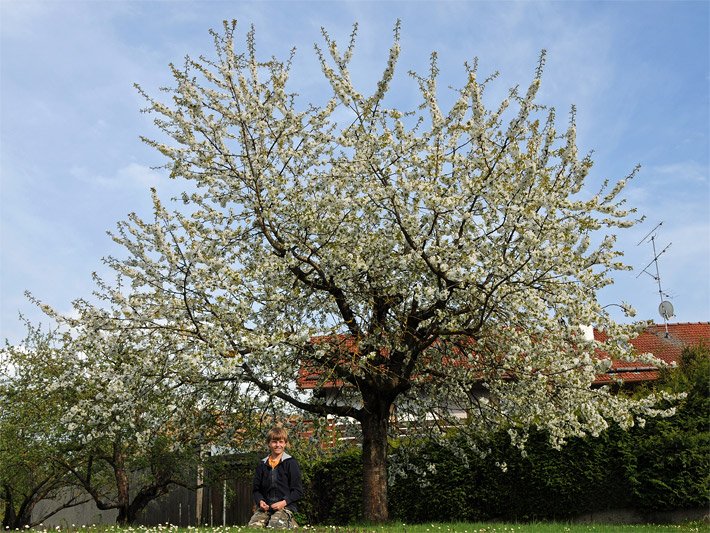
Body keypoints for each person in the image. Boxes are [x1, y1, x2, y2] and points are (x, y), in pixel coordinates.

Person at [248, 426, 304, 529]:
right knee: (253, 528)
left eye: (281, 442)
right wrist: (260, 501)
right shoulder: (262, 465)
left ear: (285, 443)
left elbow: (298, 491)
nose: (278, 445)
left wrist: (283, 503)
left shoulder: (291, 463)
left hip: (285, 507)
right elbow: (256, 490)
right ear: (269, 443)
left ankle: (290, 522)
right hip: (266, 508)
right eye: (274, 442)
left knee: (274, 526)